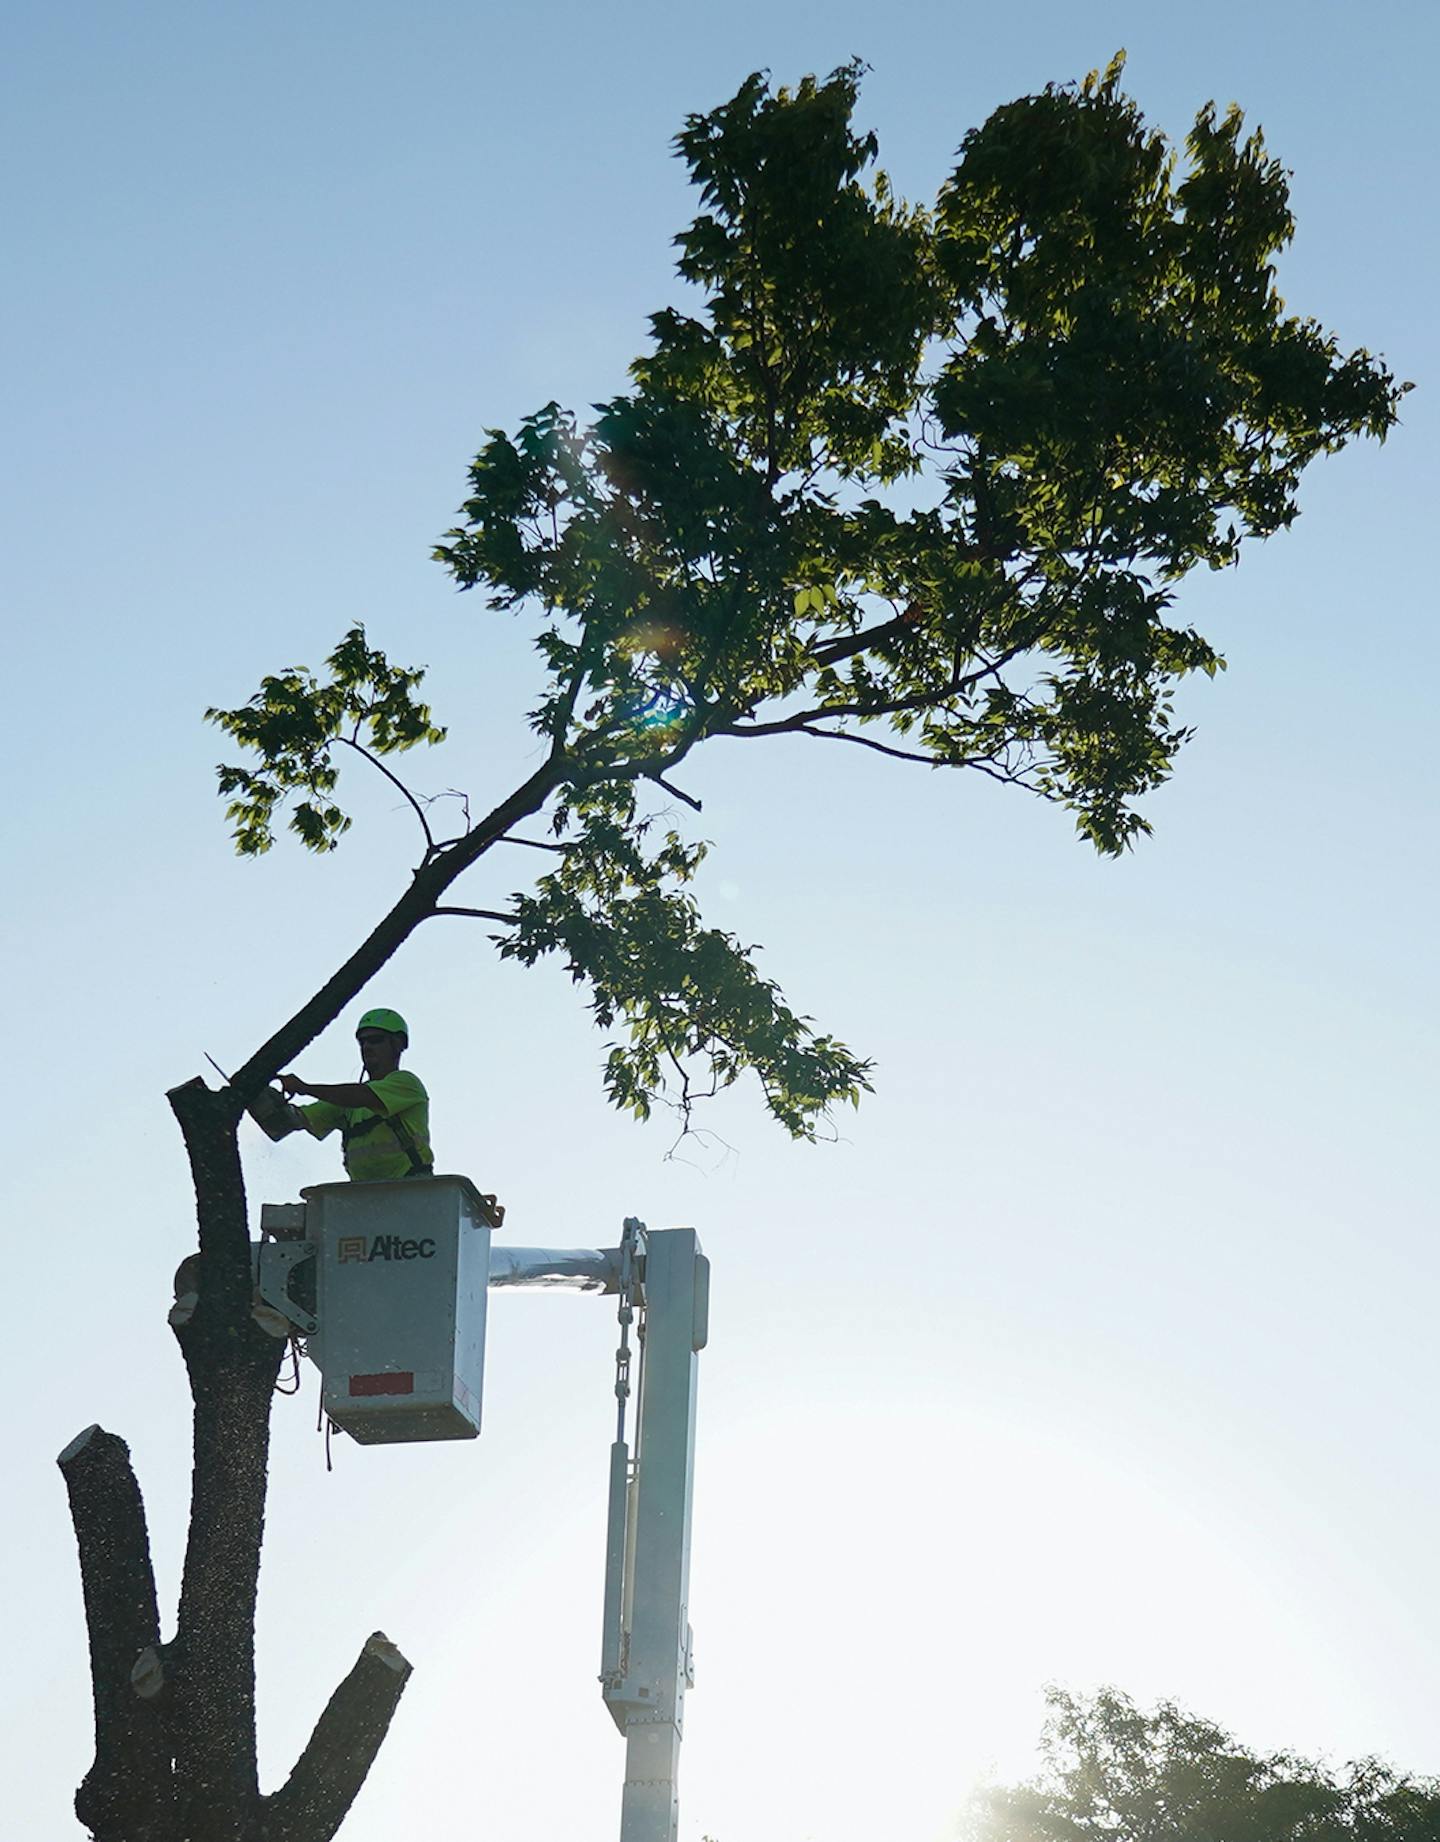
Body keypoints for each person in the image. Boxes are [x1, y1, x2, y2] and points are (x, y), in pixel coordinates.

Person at [274, 1007, 434, 1182]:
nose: (366, 1047)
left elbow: (361, 1096)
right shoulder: (347, 1104)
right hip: (362, 1195)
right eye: (362, 1042)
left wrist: (305, 1088)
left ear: (397, 1044)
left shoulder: (406, 1084)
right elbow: (289, 1121)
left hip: (412, 1189)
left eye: (375, 1040)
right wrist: (257, 1097)